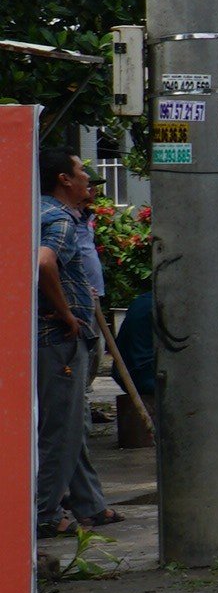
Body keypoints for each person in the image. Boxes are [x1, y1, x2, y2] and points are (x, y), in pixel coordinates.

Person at [34, 148, 119, 535]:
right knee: (62, 430)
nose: (88, 178)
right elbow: (44, 262)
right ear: (64, 180)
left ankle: (89, 504)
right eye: (82, 172)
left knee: (73, 424)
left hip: (55, 338)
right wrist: (67, 312)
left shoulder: (39, 212)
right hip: (60, 339)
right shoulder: (60, 221)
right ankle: (45, 514)